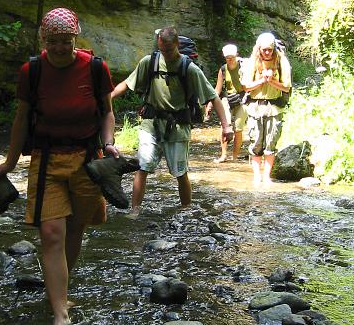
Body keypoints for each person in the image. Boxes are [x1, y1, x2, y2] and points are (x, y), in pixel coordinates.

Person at [0, 8, 117, 325]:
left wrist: (110, 142)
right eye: (53, 42)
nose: (59, 48)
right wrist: (11, 160)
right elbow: (22, 119)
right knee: (51, 234)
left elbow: (106, 112)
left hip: (88, 160)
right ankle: (60, 312)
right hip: (47, 159)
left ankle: (58, 291)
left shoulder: (95, 68)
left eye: (66, 41)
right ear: (44, 40)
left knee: (75, 230)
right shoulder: (31, 71)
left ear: (76, 37)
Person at [111, 26, 232, 218]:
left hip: (177, 126)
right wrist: (109, 97)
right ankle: (135, 210)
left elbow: (213, 98)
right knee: (142, 167)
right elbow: (127, 83)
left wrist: (226, 126)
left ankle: (185, 211)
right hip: (150, 124)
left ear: (177, 45)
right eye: (162, 50)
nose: (165, 54)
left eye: (168, 50)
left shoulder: (189, 69)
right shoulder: (149, 62)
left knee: (180, 172)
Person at [241, 31, 292, 188]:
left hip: (274, 107)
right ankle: (257, 177)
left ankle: (267, 177)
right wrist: (263, 80)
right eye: (265, 50)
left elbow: (287, 86)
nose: (268, 52)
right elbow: (246, 87)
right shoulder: (251, 62)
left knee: (271, 142)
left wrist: (272, 81)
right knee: (256, 143)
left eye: (270, 49)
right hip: (255, 108)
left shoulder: (282, 61)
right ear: (259, 49)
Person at [207, 43, 247, 162]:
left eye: (232, 57)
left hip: (243, 98)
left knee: (238, 128)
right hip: (227, 99)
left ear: (236, 55)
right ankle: (223, 155)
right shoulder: (223, 69)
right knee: (225, 126)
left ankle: (234, 157)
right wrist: (210, 103)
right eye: (227, 58)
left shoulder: (244, 67)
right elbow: (218, 88)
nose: (229, 60)